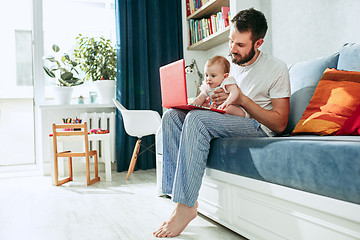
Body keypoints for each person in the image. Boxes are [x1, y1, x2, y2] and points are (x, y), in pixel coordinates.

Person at [153, 7, 291, 238]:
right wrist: (208, 103)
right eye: (230, 41)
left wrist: (243, 101)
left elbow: (279, 124)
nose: (232, 50)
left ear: (258, 43)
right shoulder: (226, 66)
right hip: (228, 119)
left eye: (240, 45)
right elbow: (215, 97)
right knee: (172, 117)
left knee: (197, 120)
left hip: (258, 126)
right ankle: (176, 196)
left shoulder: (276, 68)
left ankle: (185, 208)